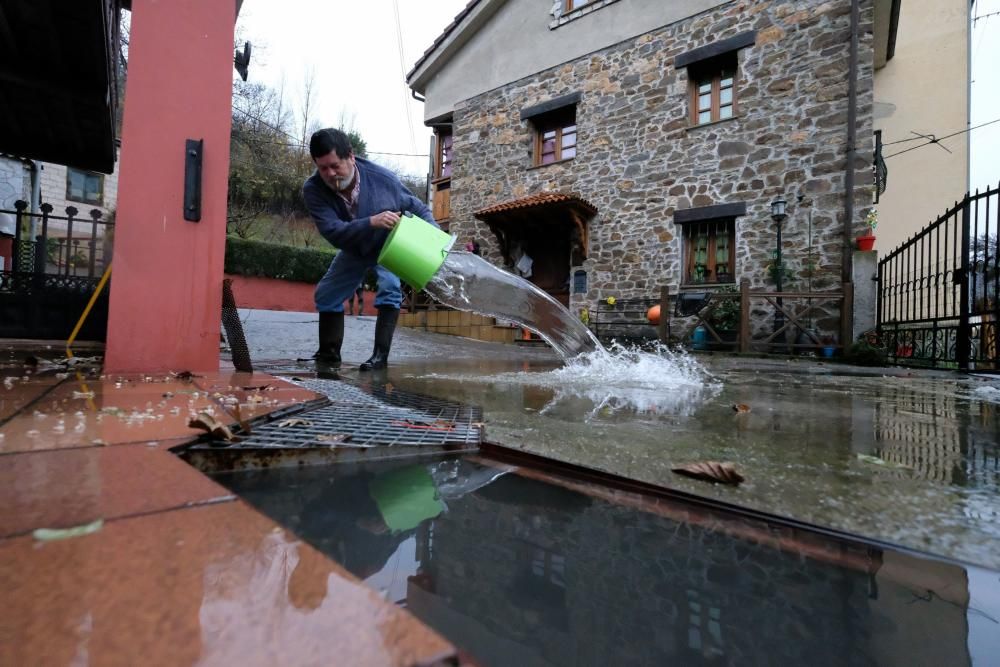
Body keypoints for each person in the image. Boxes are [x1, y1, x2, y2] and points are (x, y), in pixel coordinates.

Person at [303, 128, 438, 370]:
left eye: (335, 165)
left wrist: (437, 242)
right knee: (326, 294)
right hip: (354, 246)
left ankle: (379, 358)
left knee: (390, 288)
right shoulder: (313, 189)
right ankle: (328, 354)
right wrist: (371, 222)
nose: (330, 174)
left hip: (388, 243)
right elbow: (333, 231)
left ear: (351, 157)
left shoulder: (383, 179)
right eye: (323, 168)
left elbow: (419, 208)